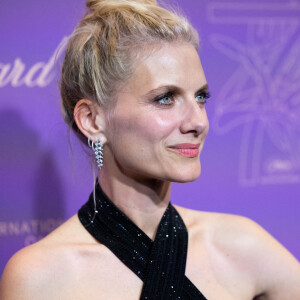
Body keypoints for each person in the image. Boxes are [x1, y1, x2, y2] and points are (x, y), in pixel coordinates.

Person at [1, 0, 300, 299]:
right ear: (92, 121)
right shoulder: (40, 277)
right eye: (166, 98)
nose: (198, 121)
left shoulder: (241, 247)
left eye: (200, 97)